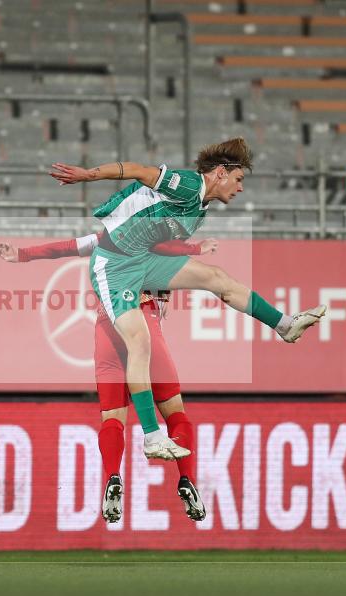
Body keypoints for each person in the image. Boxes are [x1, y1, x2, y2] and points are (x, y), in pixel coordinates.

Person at [49, 138, 326, 462]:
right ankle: (153, 437)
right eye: (238, 180)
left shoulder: (199, 209)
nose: (240, 189)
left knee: (216, 278)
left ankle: (285, 325)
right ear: (221, 173)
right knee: (140, 342)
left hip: (141, 261)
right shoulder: (190, 186)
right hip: (114, 265)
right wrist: (86, 175)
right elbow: (138, 170)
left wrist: (162, 285)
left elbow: (158, 239)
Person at [0, 232, 214, 522]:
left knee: (112, 418)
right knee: (175, 414)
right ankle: (186, 479)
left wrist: (22, 254)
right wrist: (195, 248)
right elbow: (166, 247)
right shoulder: (151, 236)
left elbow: (65, 248)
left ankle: (113, 476)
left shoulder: (108, 236)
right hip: (143, 322)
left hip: (105, 329)